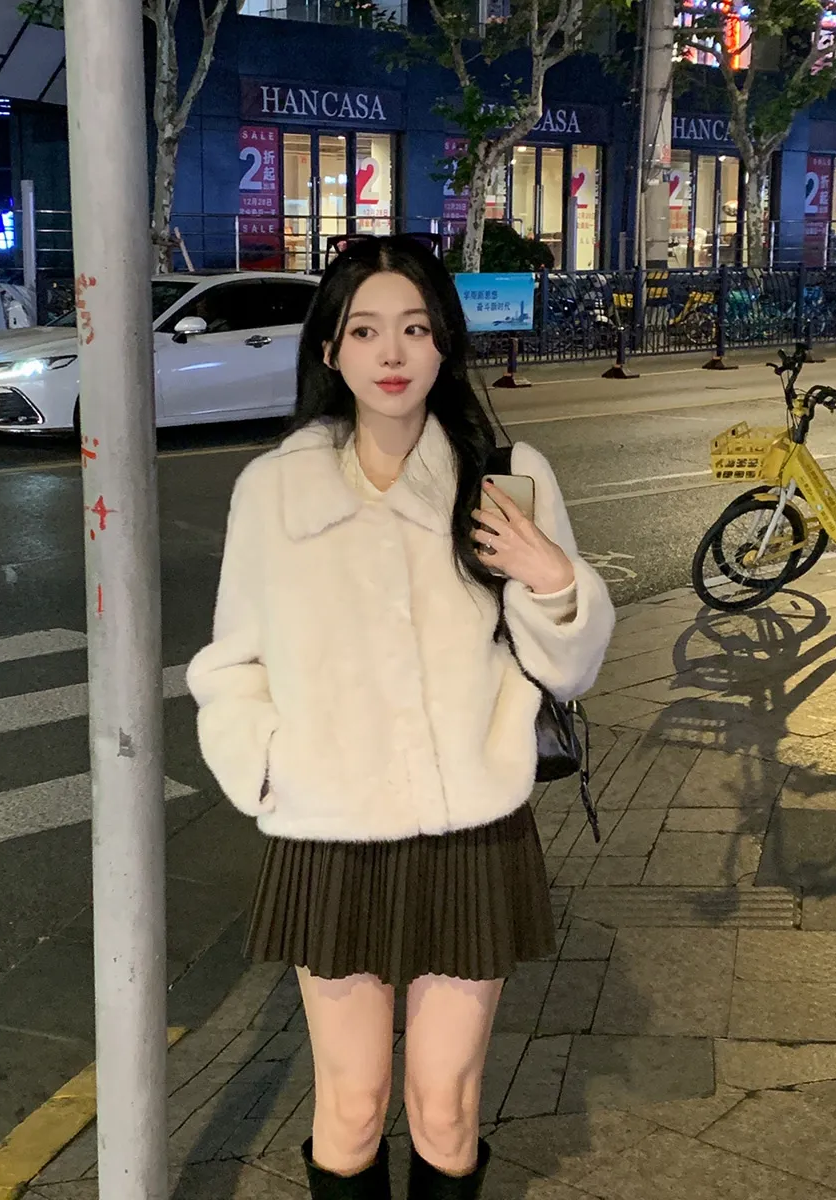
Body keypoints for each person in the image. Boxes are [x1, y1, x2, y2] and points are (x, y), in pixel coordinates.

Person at [187, 235, 615, 1199]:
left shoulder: (503, 473)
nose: (392, 353)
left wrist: (553, 579)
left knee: (445, 1106)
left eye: (416, 329)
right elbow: (232, 662)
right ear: (329, 350)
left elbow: (569, 669)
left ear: (444, 343)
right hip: (330, 837)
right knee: (351, 1104)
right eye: (365, 331)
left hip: (472, 833)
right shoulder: (274, 491)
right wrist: (270, 765)